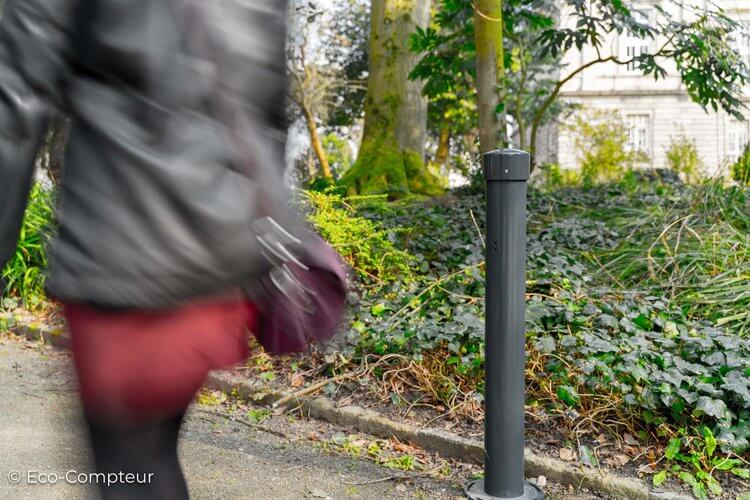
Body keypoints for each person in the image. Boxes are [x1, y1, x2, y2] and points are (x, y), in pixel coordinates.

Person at [0, 1, 292, 498]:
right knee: (147, 457)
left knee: (130, 472)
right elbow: (269, 108)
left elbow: (14, 99)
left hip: (129, 249)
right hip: (224, 258)